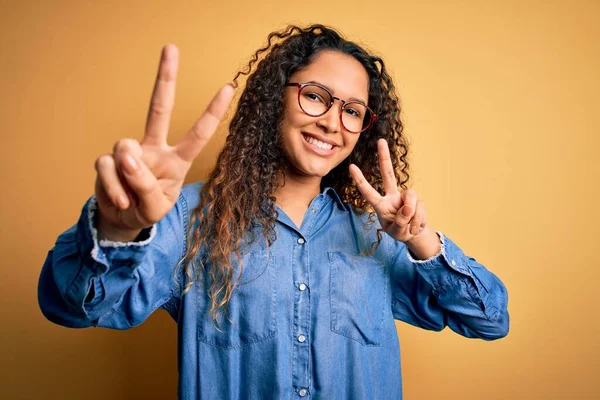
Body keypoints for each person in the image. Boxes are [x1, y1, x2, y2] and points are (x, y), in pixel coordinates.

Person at [38, 24, 509, 399]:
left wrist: (420, 240)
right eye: (315, 96)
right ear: (275, 99)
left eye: (352, 110)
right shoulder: (188, 218)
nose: (331, 121)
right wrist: (118, 232)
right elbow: (69, 307)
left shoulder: (382, 235)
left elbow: (490, 318)